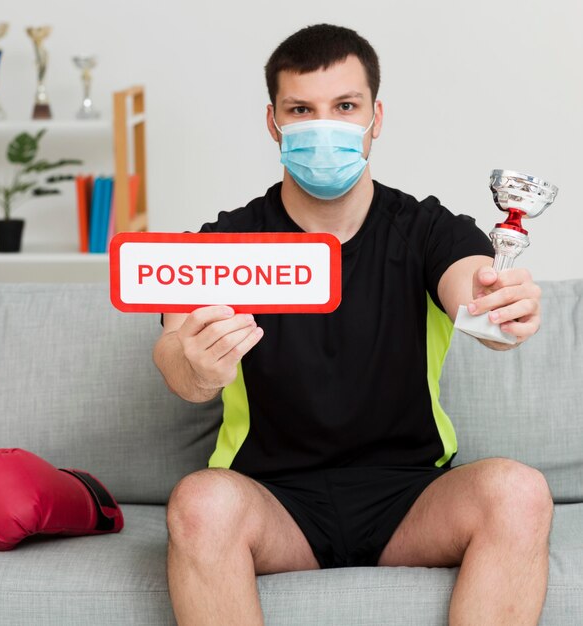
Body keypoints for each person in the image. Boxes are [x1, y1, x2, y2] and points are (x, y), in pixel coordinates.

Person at [153, 23, 552, 626]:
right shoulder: (227, 242)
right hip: (272, 499)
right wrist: (197, 368)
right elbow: (175, 354)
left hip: (411, 495)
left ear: (376, 116)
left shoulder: (428, 229)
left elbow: (470, 286)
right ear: (274, 123)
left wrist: (498, 304)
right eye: (301, 109)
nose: (325, 126)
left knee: (519, 491)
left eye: (344, 106)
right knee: (199, 502)